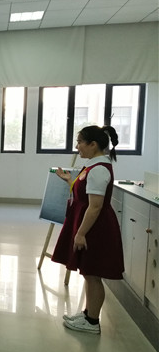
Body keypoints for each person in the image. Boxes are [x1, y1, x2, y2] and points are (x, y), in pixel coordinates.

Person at [52, 125, 124, 334]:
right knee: (88, 272)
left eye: (80, 142)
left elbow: (95, 206)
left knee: (93, 274)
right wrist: (69, 180)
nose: (77, 147)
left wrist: (81, 233)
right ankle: (88, 314)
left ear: (93, 144)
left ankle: (92, 322)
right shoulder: (92, 166)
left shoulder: (99, 170)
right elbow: (84, 195)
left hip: (95, 228)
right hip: (88, 224)